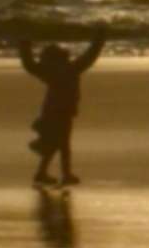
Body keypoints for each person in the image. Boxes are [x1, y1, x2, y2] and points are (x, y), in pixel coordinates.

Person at [18, 27, 106, 185]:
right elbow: (89, 57)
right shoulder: (71, 69)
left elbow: (29, 65)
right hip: (61, 113)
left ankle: (45, 173)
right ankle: (63, 174)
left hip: (54, 111)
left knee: (56, 144)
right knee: (61, 144)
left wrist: (24, 45)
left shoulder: (50, 71)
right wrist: (99, 41)